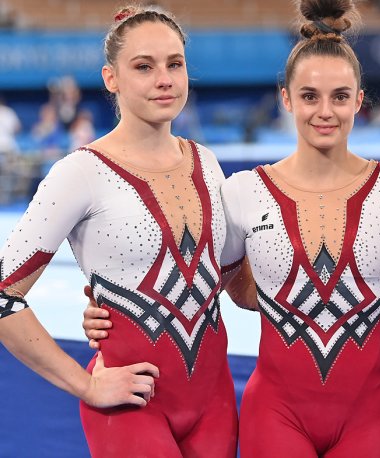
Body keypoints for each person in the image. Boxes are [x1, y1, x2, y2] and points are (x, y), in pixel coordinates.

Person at [85, 1, 380, 456]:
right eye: (310, 96)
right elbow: (213, 286)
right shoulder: (243, 192)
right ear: (286, 99)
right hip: (276, 415)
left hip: (368, 417)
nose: (325, 111)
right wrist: (110, 316)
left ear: (359, 99)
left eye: (339, 96)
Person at [0, 6, 239, 457]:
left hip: (214, 402)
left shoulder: (206, 162)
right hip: (132, 407)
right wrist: (85, 384)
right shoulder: (80, 173)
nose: (164, 79)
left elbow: (223, 276)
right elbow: (2, 296)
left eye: (174, 64)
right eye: (144, 67)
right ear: (111, 78)